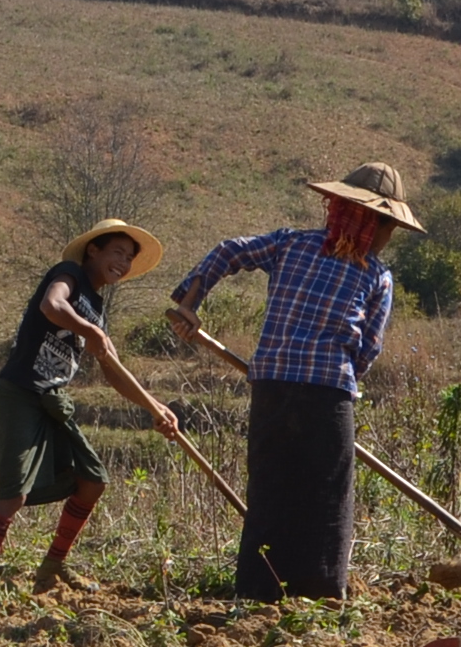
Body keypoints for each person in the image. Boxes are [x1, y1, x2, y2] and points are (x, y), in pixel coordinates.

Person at [167, 163, 417, 600]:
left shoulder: (290, 244)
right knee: (326, 496)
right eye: (386, 226)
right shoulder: (377, 275)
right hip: (328, 392)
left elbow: (229, 251)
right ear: (370, 222)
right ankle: (319, 594)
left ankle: (258, 590)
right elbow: (368, 348)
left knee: (271, 487)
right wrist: (341, 387)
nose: (386, 236)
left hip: (273, 386)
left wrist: (191, 302)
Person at [0, 220, 185, 608]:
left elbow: (113, 370)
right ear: (93, 250)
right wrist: (89, 330)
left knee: (92, 480)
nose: (123, 262)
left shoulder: (98, 310)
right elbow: (51, 306)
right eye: (117, 252)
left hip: (52, 400)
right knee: (13, 495)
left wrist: (154, 407)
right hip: (20, 393)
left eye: (129, 257)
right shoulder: (68, 274)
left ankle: (52, 567)